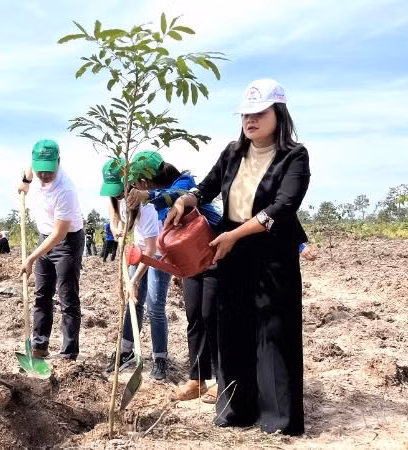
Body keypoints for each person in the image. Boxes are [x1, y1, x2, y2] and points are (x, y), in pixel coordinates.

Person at [166, 78, 309, 435]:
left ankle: (277, 418)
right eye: (246, 114)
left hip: (272, 255)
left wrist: (234, 234)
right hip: (232, 253)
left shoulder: (294, 156)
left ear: (279, 113)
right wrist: (186, 200)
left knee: (273, 331)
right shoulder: (232, 152)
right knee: (232, 330)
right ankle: (235, 409)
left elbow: (283, 207)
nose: (251, 120)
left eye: (259, 113)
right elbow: (208, 186)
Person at [125, 151, 223, 401]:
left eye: (137, 184)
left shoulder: (184, 184)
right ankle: (197, 379)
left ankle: (224, 380)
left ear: (145, 183)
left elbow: (179, 196)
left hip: (215, 255)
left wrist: (148, 196)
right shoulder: (156, 206)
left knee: (213, 317)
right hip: (191, 262)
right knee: (195, 317)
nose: (135, 188)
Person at [100, 159, 171, 380]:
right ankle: (126, 351)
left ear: (130, 183)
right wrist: (115, 226)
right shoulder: (118, 198)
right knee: (133, 303)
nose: (118, 196)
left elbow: (151, 250)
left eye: (120, 190)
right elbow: (114, 212)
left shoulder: (147, 205)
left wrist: (133, 281)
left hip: (158, 255)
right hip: (139, 252)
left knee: (155, 307)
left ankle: (160, 357)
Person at [18, 139, 85, 359]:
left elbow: (60, 234)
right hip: (44, 236)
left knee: (67, 297)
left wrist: (31, 258)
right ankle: (39, 346)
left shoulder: (66, 189)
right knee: (41, 294)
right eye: (40, 171)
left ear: (59, 162)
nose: (45, 176)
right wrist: (25, 181)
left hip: (67, 241)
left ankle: (69, 353)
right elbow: (28, 171)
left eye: (49, 171)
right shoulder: (35, 170)